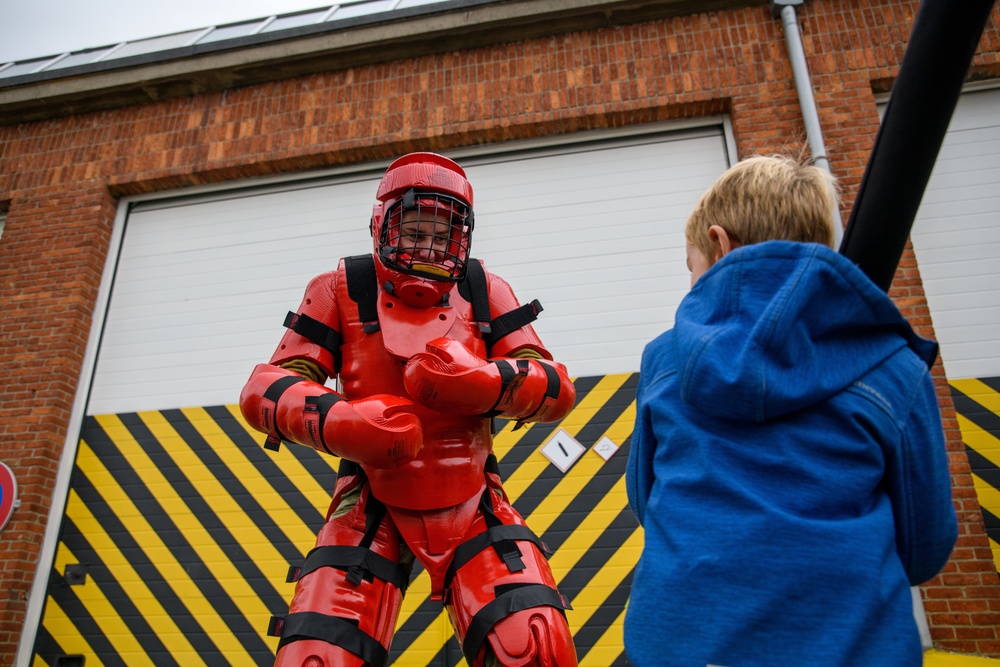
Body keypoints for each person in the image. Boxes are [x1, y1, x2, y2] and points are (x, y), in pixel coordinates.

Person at [239, 152, 579, 667]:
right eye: (416, 231)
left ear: (460, 238)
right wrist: (339, 423)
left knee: (534, 645)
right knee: (318, 659)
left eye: (441, 237)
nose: (428, 247)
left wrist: (490, 384)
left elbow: (556, 386)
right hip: (367, 500)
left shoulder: (485, 288)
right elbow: (265, 389)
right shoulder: (339, 288)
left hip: (473, 495)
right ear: (383, 224)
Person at [624, 155, 958, 666]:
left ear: (720, 243)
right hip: (850, 647)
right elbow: (925, 544)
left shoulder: (665, 360)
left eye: (691, 267)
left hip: (681, 643)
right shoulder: (892, 364)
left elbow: (647, 501)